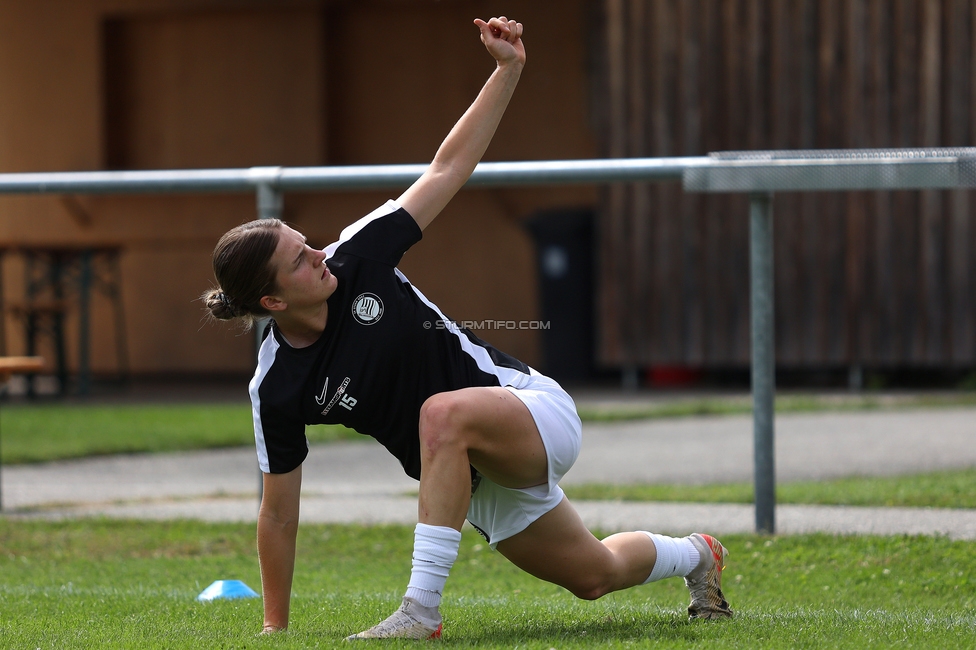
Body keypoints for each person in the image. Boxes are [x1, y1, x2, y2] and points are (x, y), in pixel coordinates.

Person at [203, 16, 733, 640]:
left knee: (439, 414)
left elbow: (446, 168)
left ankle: (420, 612)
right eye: (299, 260)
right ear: (269, 301)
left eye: (306, 243)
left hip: (530, 411)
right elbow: (279, 514)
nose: (317, 254)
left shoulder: (358, 255)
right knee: (595, 576)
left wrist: (506, 69)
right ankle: (700, 555)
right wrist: (274, 628)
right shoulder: (277, 386)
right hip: (468, 475)